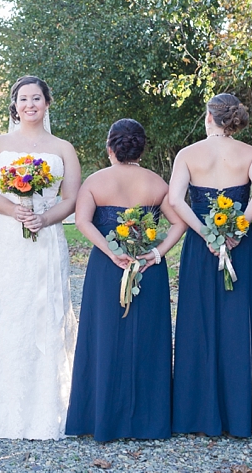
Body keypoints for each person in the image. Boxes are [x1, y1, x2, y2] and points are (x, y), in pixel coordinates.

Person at [0, 76, 81, 440]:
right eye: (23, 99)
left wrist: (44, 217)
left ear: (47, 103)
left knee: (45, 310)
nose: (30, 105)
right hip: (7, 237)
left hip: (47, 236)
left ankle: (48, 408)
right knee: (6, 308)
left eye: (36, 98)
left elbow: (71, 198)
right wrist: (15, 211)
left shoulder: (63, 148)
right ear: (14, 104)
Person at [65, 119, 186, 442]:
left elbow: (82, 221)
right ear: (141, 149)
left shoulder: (95, 182)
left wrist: (109, 251)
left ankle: (102, 417)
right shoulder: (156, 183)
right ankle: (148, 421)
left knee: (104, 338)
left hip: (108, 268)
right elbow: (179, 224)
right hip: (148, 268)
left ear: (110, 148)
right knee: (148, 340)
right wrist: (156, 254)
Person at [167, 94, 252, 437]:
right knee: (239, 319)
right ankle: (241, 415)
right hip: (239, 244)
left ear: (209, 117)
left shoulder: (188, 154)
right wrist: (238, 227)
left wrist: (205, 233)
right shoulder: (251, 154)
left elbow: (174, 200)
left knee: (200, 320)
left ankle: (197, 414)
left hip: (202, 247)